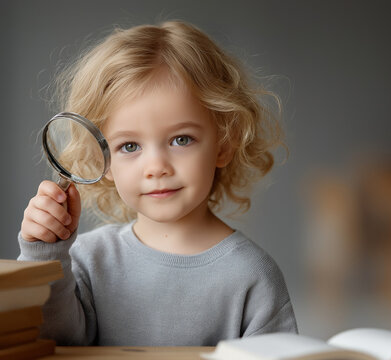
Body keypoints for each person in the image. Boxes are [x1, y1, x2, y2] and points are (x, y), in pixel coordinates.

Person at [18, 20, 297, 346]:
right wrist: (45, 256)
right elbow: (54, 342)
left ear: (224, 143)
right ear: (102, 161)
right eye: (130, 146)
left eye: (181, 139)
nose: (157, 167)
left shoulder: (252, 276)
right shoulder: (88, 260)